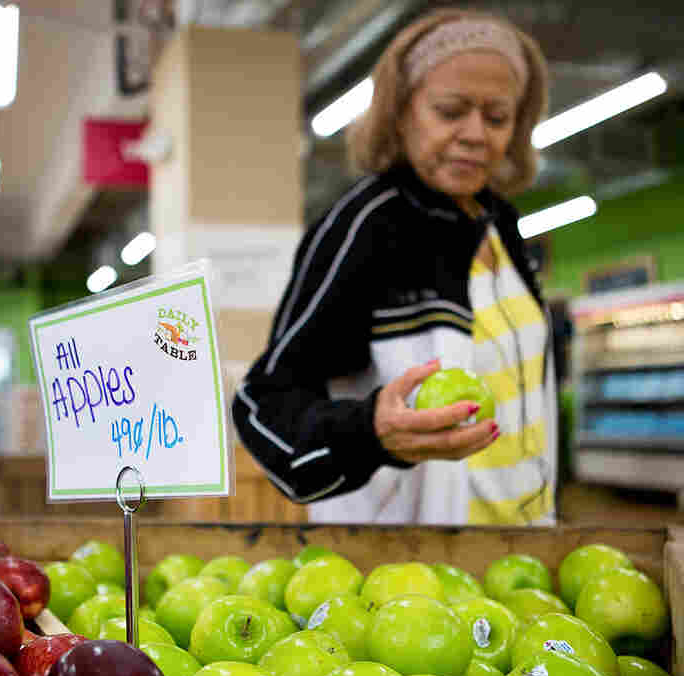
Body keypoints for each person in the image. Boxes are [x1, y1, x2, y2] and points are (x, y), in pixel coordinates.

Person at [232, 7, 555, 525]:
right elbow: (264, 399)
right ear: (402, 112)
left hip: (522, 548)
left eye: (498, 117)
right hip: (403, 565)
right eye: (451, 110)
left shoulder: (502, 224)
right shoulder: (368, 226)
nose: (476, 134)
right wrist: (369, 433)